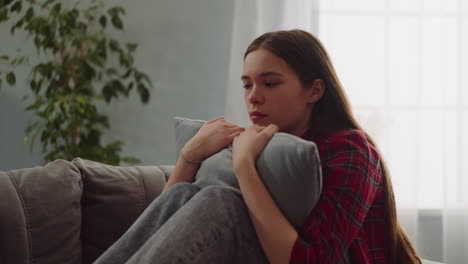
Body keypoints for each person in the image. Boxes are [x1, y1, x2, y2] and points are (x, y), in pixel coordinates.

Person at [94, 29, 422, 264]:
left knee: (220, 201)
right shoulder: (268, 145)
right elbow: (161, 223)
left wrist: (244, 166)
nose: (253, 96)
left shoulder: (350, 148)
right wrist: (190, 156)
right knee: (185, 194)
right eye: (247, 84)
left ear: (315, 90)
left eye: (270, 83)